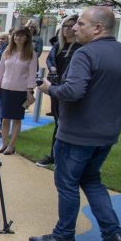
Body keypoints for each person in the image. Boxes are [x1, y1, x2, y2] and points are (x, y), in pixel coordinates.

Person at [31, 6, 121, 241]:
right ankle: (113, 236)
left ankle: (64, 236)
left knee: (67, 183)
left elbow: (72, 92)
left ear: (98, 28)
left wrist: (47, 89)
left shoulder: (85, 54)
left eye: (82, 24)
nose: (74, 28)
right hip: (106, 135)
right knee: (91, 180)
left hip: (76, 134)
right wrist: (116, 117)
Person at [36, 14, 81, 167]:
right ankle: (54, 155)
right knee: (58, 122)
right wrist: (53, 69)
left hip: (69, 89)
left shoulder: (80, 47)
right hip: (56, 87)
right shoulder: (58, 45)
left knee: (66, 123)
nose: (67, 29)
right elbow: (50, 60)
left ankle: (66, 157)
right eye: (65, 26)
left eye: (70, 26)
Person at [0, 27, 37, 155]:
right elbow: (0, 71)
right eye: (17, 35)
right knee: (5, 118)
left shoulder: (31, 54)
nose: (19, 38)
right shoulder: (7, 51)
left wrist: (30, 91)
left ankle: (11, 145)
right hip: (5, 89)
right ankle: (4, 143)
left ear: (27, 38)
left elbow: (32, 74)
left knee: (16, 119)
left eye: (22, 36)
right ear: (13, 37)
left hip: (20, 91)